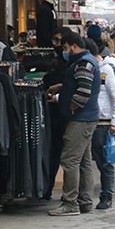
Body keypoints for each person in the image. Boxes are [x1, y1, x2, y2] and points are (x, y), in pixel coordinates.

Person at [46, 32, 101, 216]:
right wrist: (62, 86)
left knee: (70, 160)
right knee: (83, 161)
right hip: (86, 118)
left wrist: (70, 107)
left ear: (73, 46)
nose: (64, 52)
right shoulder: (84, 61)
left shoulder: (84, 63)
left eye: (65, 48)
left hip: (80, 119)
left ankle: (70, 203)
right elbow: (79, 83)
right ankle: (85, 201)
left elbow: (83, 92)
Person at [84, 38, 115, 210]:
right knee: (91, 161)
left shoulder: (108, 70)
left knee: (105, 163)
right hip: (90, 121)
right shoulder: (90, 68)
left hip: (104, 124)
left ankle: (107, 196)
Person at [41, 27, 74, 201]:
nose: (54, 44)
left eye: (58, 40)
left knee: (69, 157)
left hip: (68, 116)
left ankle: (69, 195)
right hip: (54, 115)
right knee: (55, 154)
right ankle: (48, 189)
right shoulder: (58, 62)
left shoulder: (73, 64)